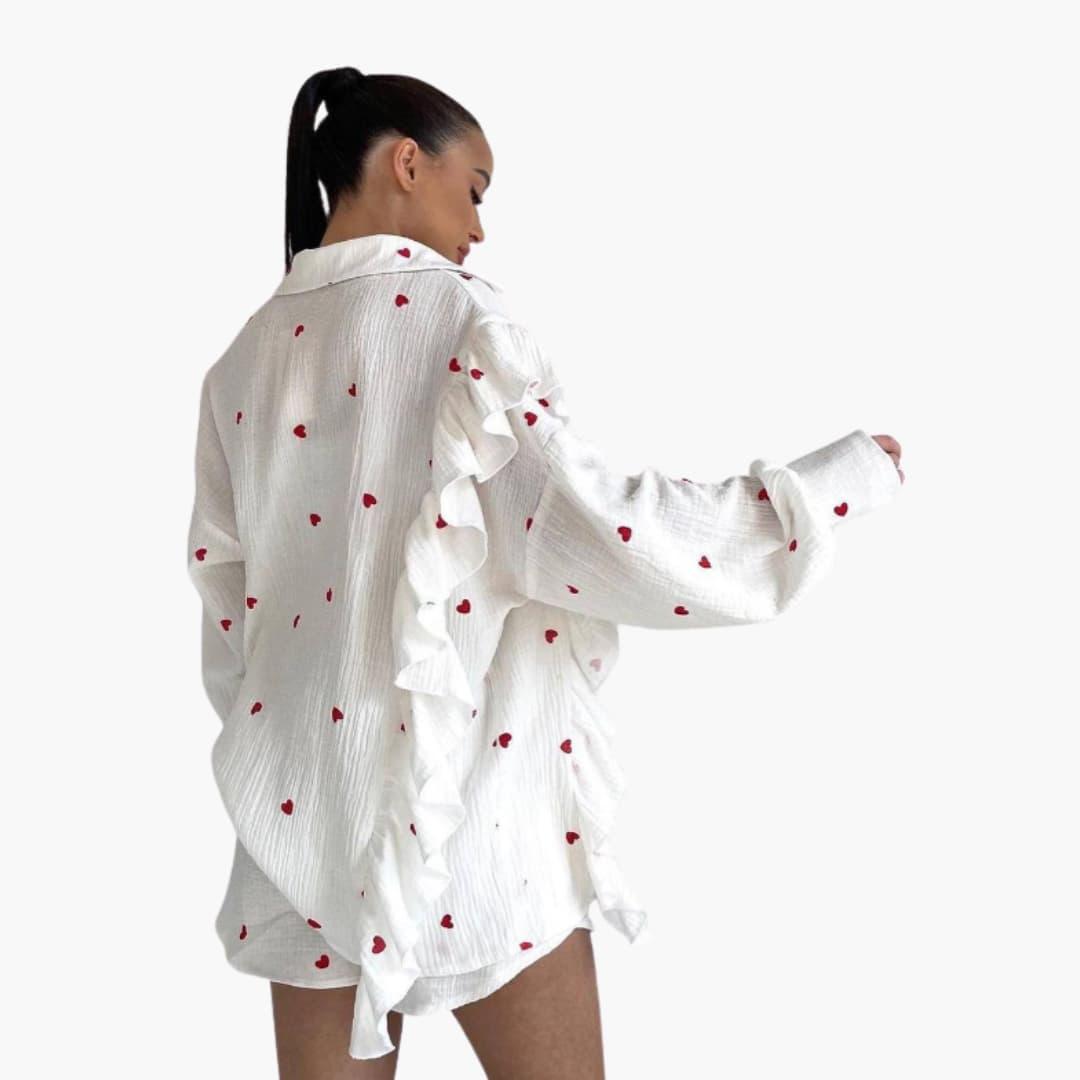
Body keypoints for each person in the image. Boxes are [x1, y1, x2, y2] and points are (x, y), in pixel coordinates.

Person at [185, 64, 905, 1080]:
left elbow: (229, 611)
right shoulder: (457, 324)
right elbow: (591, 531)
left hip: (296, 825)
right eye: (474, 189)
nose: (479, 228)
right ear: (406, 163)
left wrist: (302, 754)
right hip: (471, 818)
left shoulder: (243, 361)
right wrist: (816, 496)